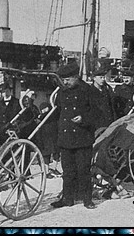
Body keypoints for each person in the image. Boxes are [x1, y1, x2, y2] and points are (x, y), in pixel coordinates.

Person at [50, 62, 97, 209]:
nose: (65, 82)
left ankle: (87, 199)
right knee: (68, 171)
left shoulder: (88, 90)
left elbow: (97, 113)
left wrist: (84, 119)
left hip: (82, 137)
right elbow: (58, 112)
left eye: (68, 79)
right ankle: (67, 199)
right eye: (63, 79)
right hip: (66, 137)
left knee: (83, 170)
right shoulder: (62, 92)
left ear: (76, 77)